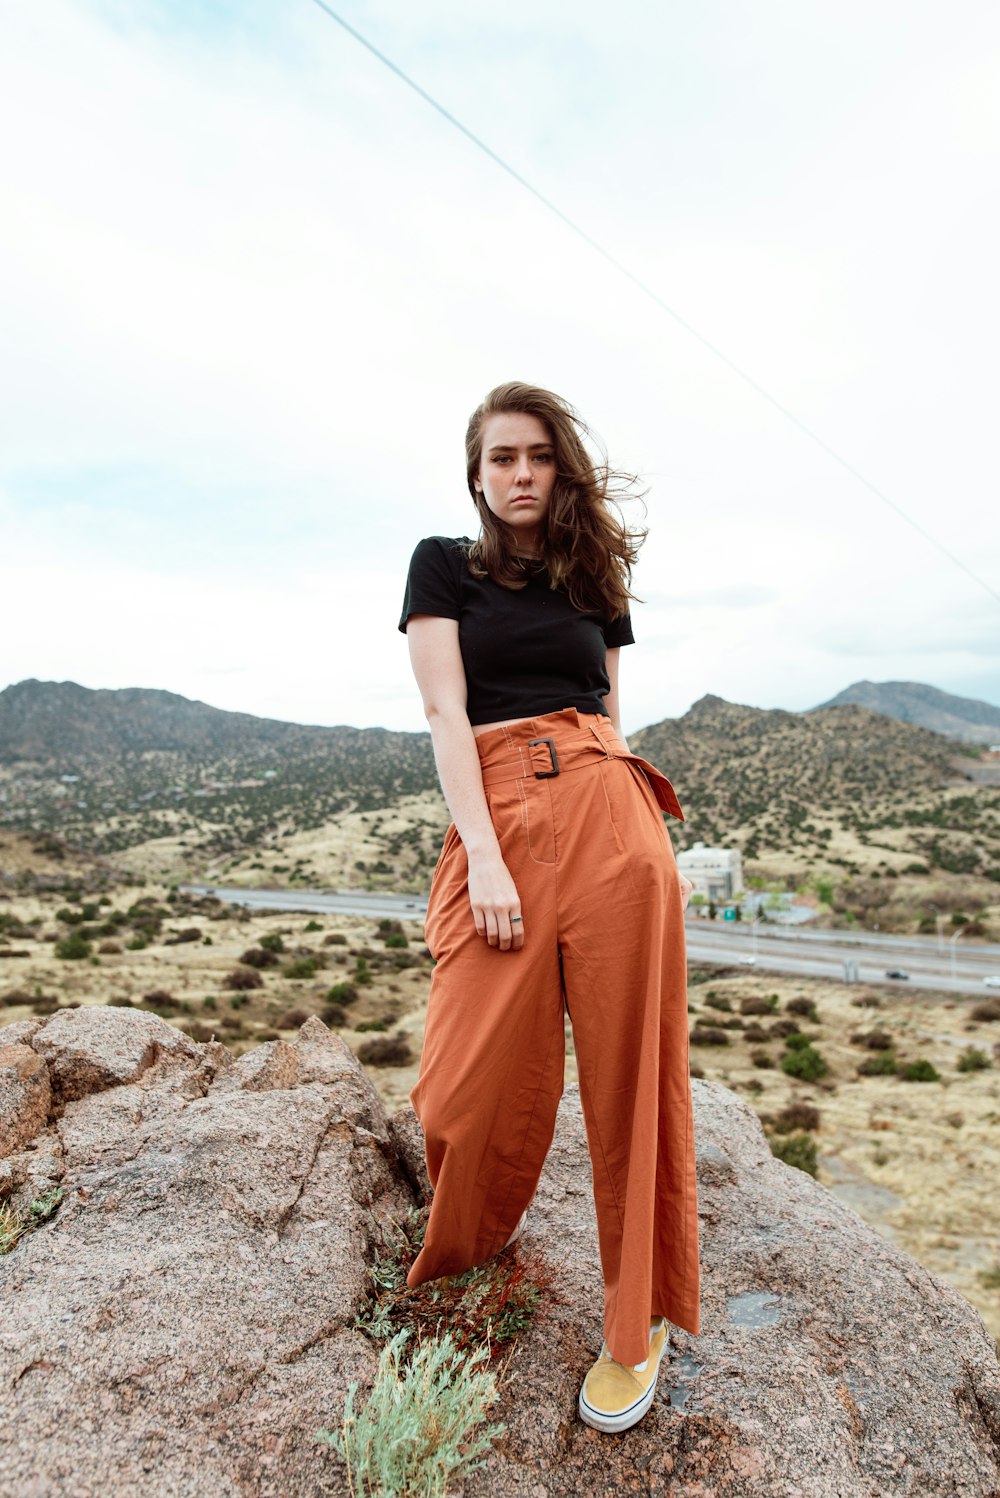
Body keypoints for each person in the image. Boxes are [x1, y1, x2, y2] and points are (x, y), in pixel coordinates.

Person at [397, 380, 700, 1435]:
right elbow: (443, 710)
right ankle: (464, 1255)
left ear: (557, 467)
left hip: (612, 818)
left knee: (632, 1079)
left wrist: (616, 814)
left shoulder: (591, 575)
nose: (519, 474)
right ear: (475, 475)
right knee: (460, 1085)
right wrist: (482, 853)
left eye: (535, 456)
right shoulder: (443, 566)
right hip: (500, 821)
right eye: (500, 459)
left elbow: (610, 710)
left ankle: (638, 1321)